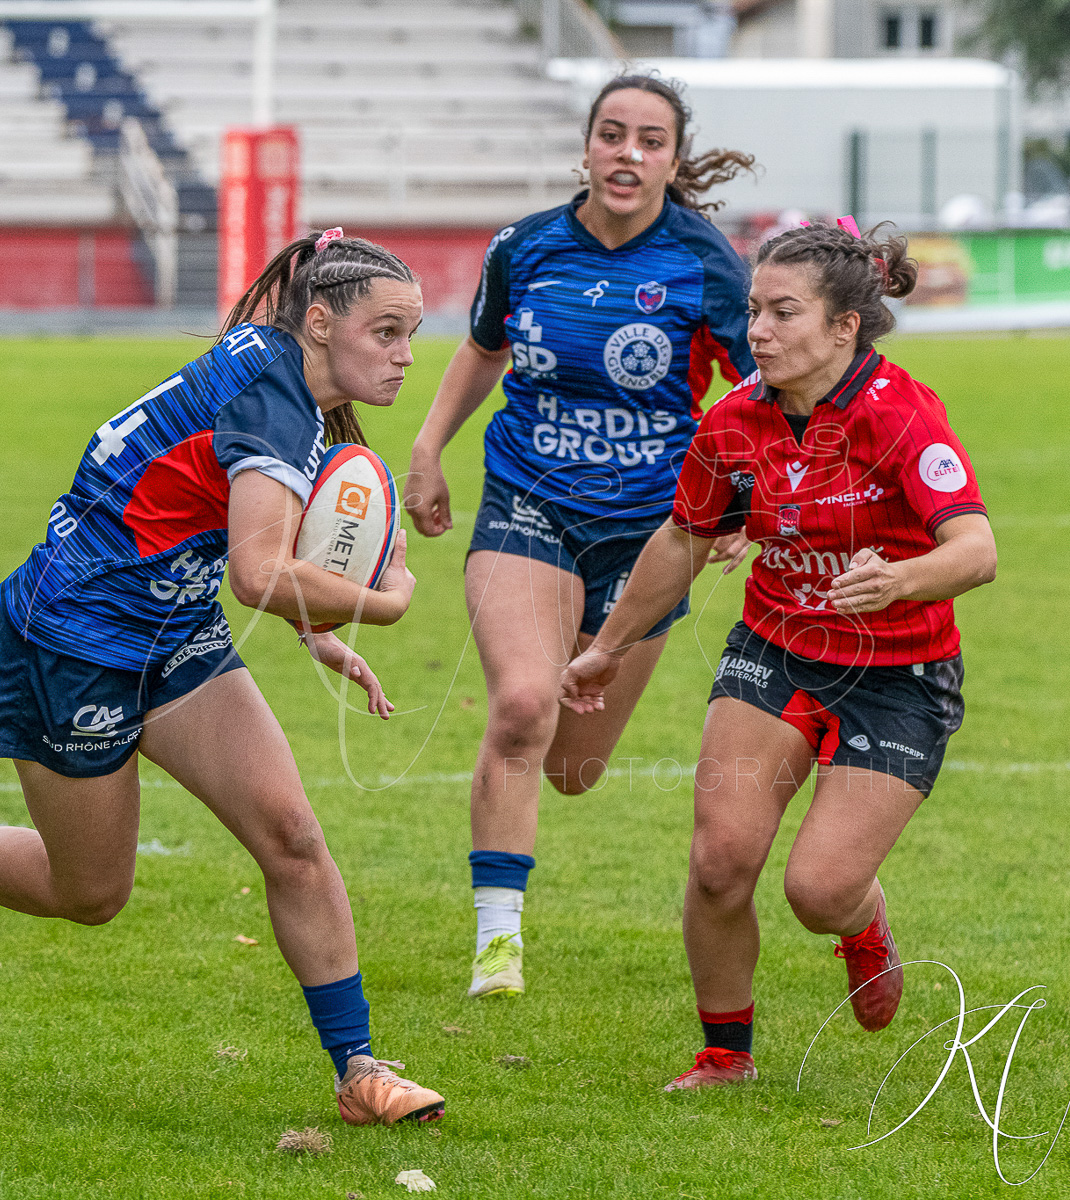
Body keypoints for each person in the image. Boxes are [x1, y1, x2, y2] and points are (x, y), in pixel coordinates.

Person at [0, 229, 448, 1126]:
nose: (406, 357)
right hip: (70, 647)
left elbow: (231, 529)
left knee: (291, 833)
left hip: (173, 633)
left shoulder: (271, 357)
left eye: (412, 333)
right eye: (387, 332)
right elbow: (258, 572)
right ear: (320, 321)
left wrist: (314, 631)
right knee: (90, 894)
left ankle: (359, 1069)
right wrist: (388, 602)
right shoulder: (275, 401)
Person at [559, 220, 997, 1090]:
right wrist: (607, 646)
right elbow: (685, 539)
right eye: (754, 310)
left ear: (844, 326)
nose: (758, 331)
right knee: (720, 863)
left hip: (898, 674)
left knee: (818, 891)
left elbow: (976, 550)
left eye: (783, 313)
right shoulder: (733, 421)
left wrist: (901, 579)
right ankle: (726, 1055)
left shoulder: (900, 413)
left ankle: (861, 920)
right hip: (776, 650)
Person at [405, 73, 757, 1000]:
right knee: (523, 706)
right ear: (587, 146)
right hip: (528, 504)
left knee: (570, 768)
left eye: (649, 140)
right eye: (612, 134)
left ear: (673, 162)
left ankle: (517, 862)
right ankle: (497, 948)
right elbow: (484, 347)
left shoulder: (706, 263)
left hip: (652, 538)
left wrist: (742, 503)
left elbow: (764, 390)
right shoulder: (525, 247)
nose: (627, 154)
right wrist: (429, 446)